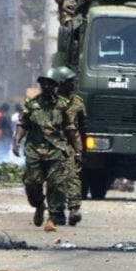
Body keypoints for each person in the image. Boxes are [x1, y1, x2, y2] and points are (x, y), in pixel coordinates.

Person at [12, 68, 79, 232]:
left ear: (55, 86)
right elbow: (23, 125)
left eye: (50, 84)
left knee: (56, 185)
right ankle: (39, 205)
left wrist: (77, 151)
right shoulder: (31, 104)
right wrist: (16, 142)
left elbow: (70, 129)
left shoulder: (63, 105)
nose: (46, 87)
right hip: (34, 150)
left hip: (56, 150)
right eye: (44, 84)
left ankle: (53, 218)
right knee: (32, 183)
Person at [54, 66, 86, 226]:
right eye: (70, 82)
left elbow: (83, 126)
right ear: (62, 83)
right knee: (56, 179)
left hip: (72, 145)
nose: (73, 84)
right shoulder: (52, 101)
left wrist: (82, 149)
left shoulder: (78, 102)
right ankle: (58, 211)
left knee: (72, 175)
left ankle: (74, 208)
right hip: (54, 145)